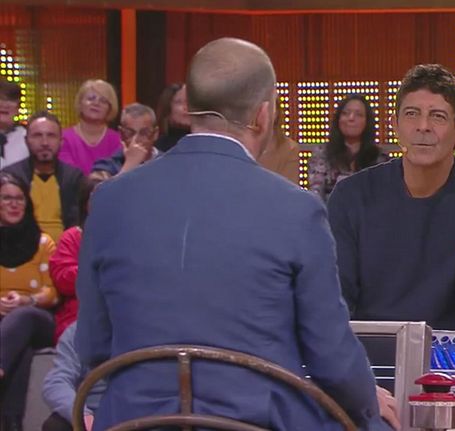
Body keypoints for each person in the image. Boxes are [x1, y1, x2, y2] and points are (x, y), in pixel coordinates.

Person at [74, 37, 392, 431]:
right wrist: (369, 405)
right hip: (258, 421)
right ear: (263, 114)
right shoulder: (297, 209)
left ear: (189, 107)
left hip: (134, 421)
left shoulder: (109, 200)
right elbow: (332, 359)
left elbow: (92, 346)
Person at [327, 64, 455, 332]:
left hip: (452, 347)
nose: (423, 127)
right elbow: (338, 295)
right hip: (365, 348)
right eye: (411, 114)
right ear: (395, 125)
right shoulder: (350, 196)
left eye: (438, 116)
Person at [0, 171, 58, 431]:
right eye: (6, 198)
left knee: (21, 317)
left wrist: (27, 300)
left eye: (19, 198)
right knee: (21, 350)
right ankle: (12, 423)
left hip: (38, 318)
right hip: (7, 327)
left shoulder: (43, 243)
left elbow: (53, 291)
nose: (14, 204)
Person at [2, 111, 83, 244]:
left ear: (61, 141)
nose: (45, 142)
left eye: (51, 136)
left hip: (64, 251)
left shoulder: (74, 178)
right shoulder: (11, 177)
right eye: (37, 135)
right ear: (26, 141)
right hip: (20, 250)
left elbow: (78, 224)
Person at [49, 176, 104, 343]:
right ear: (85, 204)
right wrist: (97, 268)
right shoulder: (72, 237)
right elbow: (63, 280)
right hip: (78, 313)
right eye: (95, 198)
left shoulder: (126, 236)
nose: (102, 203)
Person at [308, 94, 388, 201]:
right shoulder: (322, 153)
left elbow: (384, 197)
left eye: (358, 115)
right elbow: (316, 194)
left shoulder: (380, 158)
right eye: (345, 113)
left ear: (367, 122)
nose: (351, 118)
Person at [41, 322, 105, 431]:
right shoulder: (79, 332)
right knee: (55, 426)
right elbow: (56, 382)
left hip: (133, 413)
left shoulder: (137, 331)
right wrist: (83, 416)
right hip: (92, 412)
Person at [58, 79, 121, 175]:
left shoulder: (118, 140)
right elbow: (69, 176)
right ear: (80, 103)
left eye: (103, 101)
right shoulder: (63, 138)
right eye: (91, 98)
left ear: (110, 108)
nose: (96, 103)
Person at [91, 103, 160, 177]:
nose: (136, 140)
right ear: (121, 134)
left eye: (144, 133)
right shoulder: (105, 166)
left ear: (155, 134)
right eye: (129, 133)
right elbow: (98, 184)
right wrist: (130, 164)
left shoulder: (167, 162)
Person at [257, 99, 299, 184]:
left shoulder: (290, 149)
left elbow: (288, 187)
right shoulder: (242, 145)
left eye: (268, 109)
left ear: (276, 113)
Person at [154, 83, 190, 152]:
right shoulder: (158, 148)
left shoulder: (203, 142)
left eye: (189, 102)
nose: (186, 107)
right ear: (167, 108)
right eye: (179, 102)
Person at [0, 81, 27, 169]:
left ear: (18, 109)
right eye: (1, 99)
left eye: (11, 100)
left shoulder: (28, 137)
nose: (4, 105)